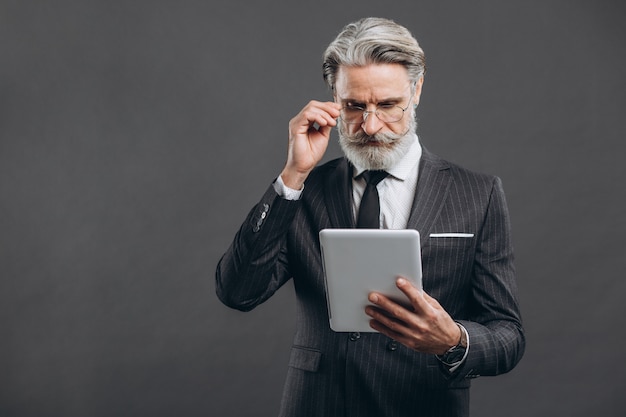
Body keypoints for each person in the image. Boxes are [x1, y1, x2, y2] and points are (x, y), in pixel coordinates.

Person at [216, 17, 525, 417]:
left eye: (387, 105)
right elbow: (237, 292)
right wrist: (292, 175)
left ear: (416, 90)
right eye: (354, 106)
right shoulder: (303, 191)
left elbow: (508, 335)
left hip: (423, 404)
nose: (371, 125)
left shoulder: (477, 194)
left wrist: (454, 340)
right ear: (334, 98)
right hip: (320, 405)